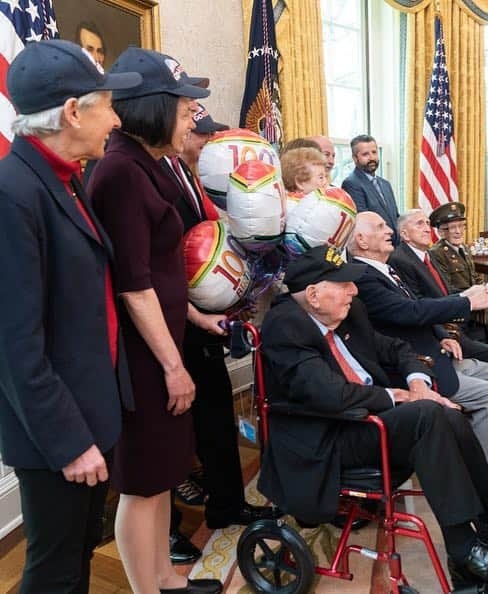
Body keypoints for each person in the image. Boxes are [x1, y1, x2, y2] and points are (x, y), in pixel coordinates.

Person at [258, 245, 488, 590]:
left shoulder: (347, 310)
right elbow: (327, 394)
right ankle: (463, 548)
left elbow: (394, 348)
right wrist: (394, 396)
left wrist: (417, 383)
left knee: (446, 414)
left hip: (365, 417)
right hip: (330, 434)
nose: (354, 289)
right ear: (315, 295)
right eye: (344, 284)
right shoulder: (285, 327)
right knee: (426, 416)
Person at [0, 39, 140, 594]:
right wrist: (69, 441)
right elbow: (14, 345)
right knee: (54, 571)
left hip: (90, 412)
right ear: (73, 111)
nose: (116, 118)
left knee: (79, 554)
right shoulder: (13, 194)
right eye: (108, 104)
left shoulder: (66, 176)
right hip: (57, 432)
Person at [88, 48, 223, 593]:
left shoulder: (149, 163)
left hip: (166, 338)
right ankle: (148, 589)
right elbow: (132, 283)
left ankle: (167, 578)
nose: (194, 114)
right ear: (152, 107)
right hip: (144, 357)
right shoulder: (120, 172)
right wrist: (172, 365)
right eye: (185, 103)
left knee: (164, 472)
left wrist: (193, 316)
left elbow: (160, 268)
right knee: (142, 481)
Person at [160, 103, 279, 565]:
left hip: (206, 320)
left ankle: (227, 503)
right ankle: (167, 531)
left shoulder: (194, 178)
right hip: (176, 323)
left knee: (215, 418)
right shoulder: (157, 175)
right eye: (200, 132)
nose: (205, 139)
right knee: (171, 431)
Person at [348, 212, 488, 473]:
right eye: (381, 227)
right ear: (362, 240)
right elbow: (409, 312)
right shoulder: (364, 277)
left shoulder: (386, 268)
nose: (389, 230)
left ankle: (469, 449)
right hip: (417, 364)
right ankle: (482, 471)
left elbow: (418, 306)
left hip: (434, 349)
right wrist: (468, 302)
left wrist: (443, 336)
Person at [389, 209, 488, 438]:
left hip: (455, 323)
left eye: (428, 223)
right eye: (420, 224)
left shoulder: (426, 256)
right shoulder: (401, 260)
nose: (427, 228)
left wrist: (478, 298)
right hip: (443, 330)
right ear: (405, 234)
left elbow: (446, 292)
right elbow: (418, 306)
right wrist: (468, 303)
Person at [342, 134, 400, 244]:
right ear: (355, 158)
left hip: (394, 247)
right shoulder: (351, 183)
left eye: (374, 152)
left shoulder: (385, 184)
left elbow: (395, 217)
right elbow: (363, 222)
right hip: (373, 247)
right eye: (365, 154)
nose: (371, 158)